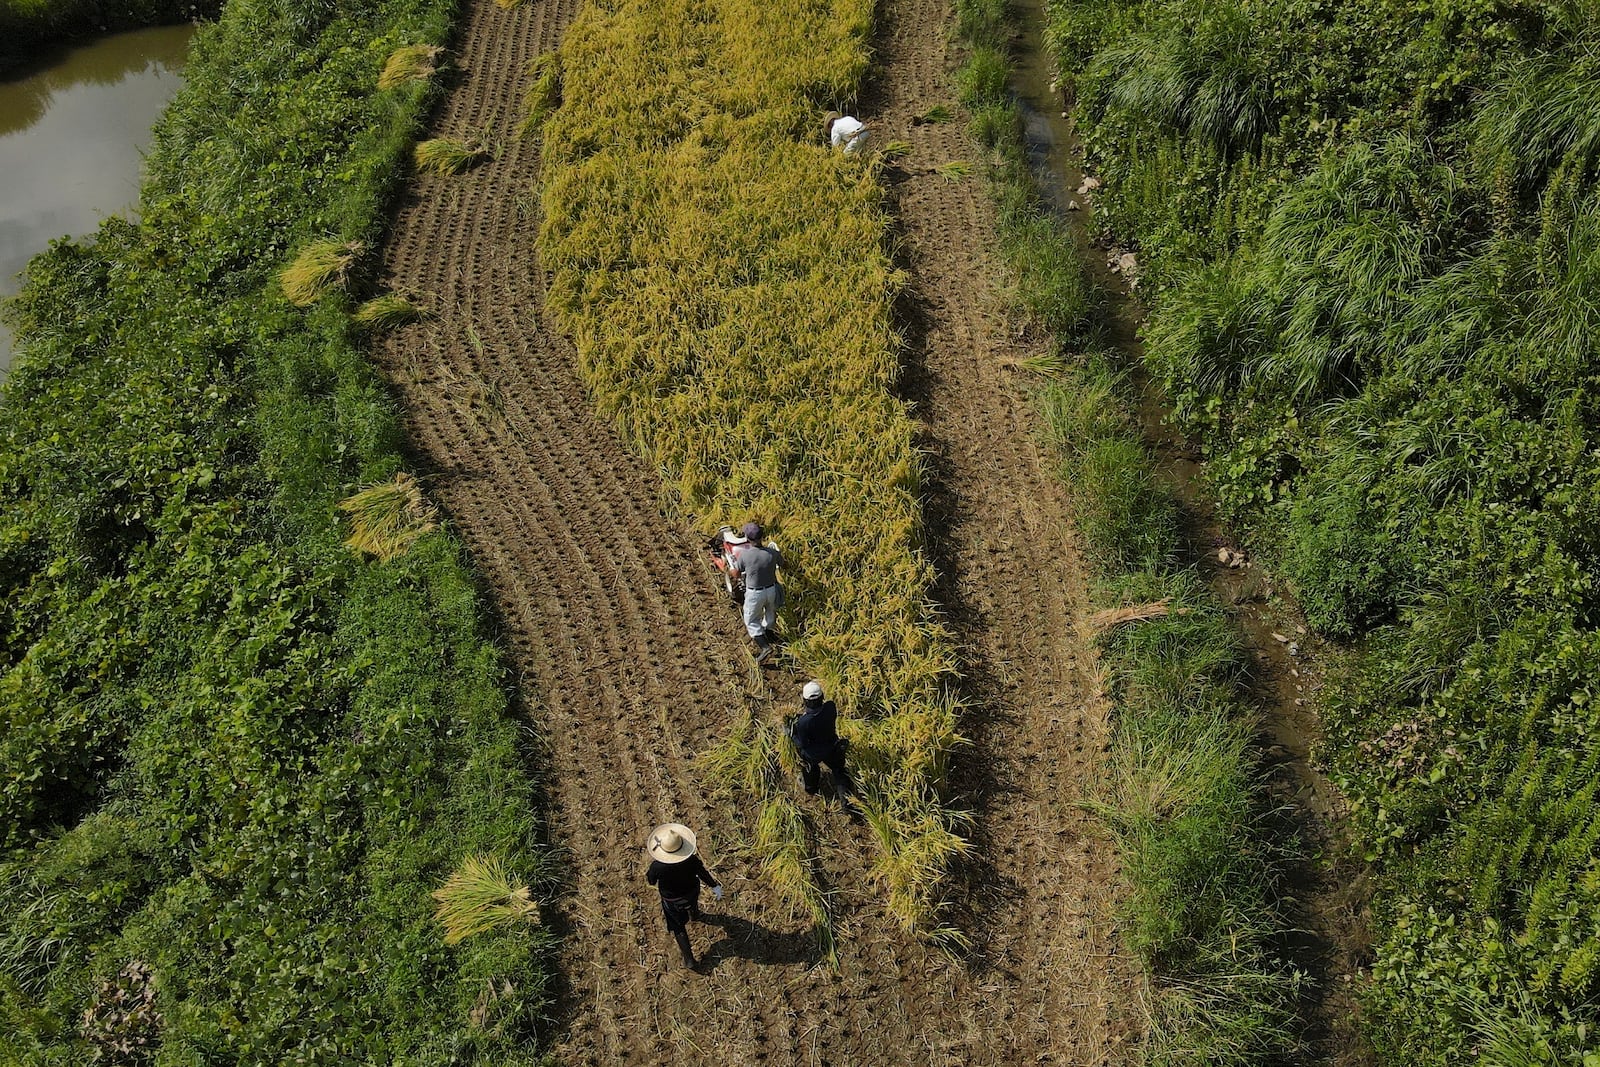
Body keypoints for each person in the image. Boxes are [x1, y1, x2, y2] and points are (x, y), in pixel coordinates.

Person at [645, 822, 723, 970]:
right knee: (692, 904)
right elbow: (702, 873)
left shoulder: (657, 866)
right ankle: (695, 915)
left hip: (672, 900)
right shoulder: (691, 860)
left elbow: (651, 880)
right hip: (691, 892)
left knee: (678, 927)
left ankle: (689, 960)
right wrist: (714, 886)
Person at [728, 521, 785, 660]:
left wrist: (731, 567)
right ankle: (769, 633)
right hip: (771, 589)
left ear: (747, 538)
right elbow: (784, 565)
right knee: (770, 612)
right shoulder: (772, 553)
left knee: (751, 619)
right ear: (762, 537)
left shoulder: (745, 555)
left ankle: (765, 647)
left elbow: (736, 574)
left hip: (755, 593)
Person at [789, 681, 852, 797]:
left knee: (810, 766)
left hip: (813, 755)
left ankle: (811, 788)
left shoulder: (803, 723)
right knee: (839, 770)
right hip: (832, 746)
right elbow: (819, 718)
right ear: (822, 696)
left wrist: (791, 735)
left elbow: (802, 744)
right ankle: (847, 801)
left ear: (805, 701)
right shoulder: (830, 707)